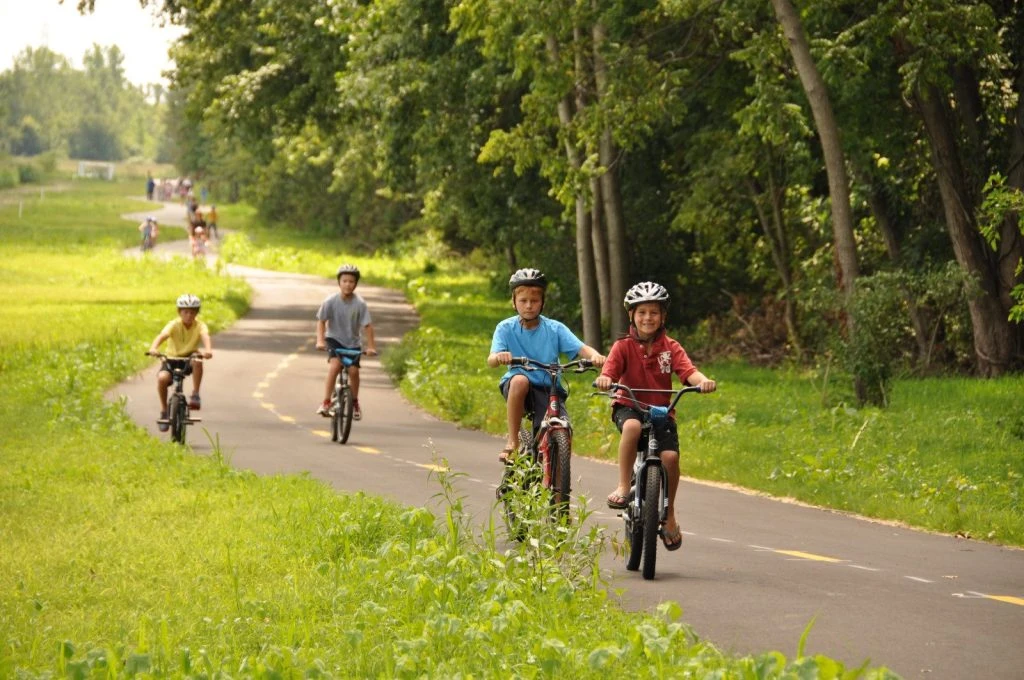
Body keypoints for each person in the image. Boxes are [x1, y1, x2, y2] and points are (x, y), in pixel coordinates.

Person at [594, 281, 716, 552]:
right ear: (631, 316)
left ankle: (670, 514)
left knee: (670, 458)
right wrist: (605, 379)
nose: (647, 318)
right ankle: (624, 485)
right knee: (633, 427)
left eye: (653, 312)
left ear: (663, 317)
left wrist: (703, 380)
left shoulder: (671, 347)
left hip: (661, 412)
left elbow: (689, 372)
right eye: (641, 313)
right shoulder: (622, 346)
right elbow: (609, 373)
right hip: (628, 405)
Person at [487, 268, 606, 463]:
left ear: (542, 303)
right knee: (519, 380)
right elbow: (490, 360)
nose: (529, 306)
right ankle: (512, 441)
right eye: (523, 301)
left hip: (548, 388)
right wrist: (500, 356)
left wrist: (597, 357)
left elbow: (582, 349)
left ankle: (558, 486)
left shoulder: (554, 328)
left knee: (562, 429)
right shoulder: (505, 328)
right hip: (519, 390)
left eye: (534, 301)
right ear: (514, 302)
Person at [315, 264, 378, 420]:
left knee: (353, 372)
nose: (348, 284)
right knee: (335, 366)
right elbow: (321, 321)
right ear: (339, 282)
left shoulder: (360, 304)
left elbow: (368, 326)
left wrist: (371, 347)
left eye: (351, 281)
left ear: (355, 284)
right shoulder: (330, 301)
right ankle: (326, 401)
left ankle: (354, 402)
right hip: (334, 339)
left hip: (352, 343)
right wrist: (320, 341)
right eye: (344, 281)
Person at [147, 294, 213, 432]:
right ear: (179, 312)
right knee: (162, 378)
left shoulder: (200, 325)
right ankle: (164, 411)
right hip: (171, 358)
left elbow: (205, 336)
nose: (189, 315)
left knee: (197, 360)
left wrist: (208, 350)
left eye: (192, 312)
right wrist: (154, 348)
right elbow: (162, 336)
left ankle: (195, 394)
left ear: (197, 313)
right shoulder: (173, 324)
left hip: (188, 359)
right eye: (186, 312)